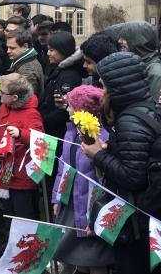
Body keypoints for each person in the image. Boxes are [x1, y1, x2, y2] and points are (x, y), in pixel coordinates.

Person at [81, 51, 161, 274]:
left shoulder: (129, 120)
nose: (101, 92)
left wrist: (98, 155)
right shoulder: (149, 108)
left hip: (138, 224)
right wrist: (111, 150)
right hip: (155, 220)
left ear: (118, 87)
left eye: (103, 86)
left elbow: (133, 176)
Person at [0, 74, 43, 253]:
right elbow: (2, 132)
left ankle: (26, 250)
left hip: (22, 174)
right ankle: (11, 245)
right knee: (9, 211)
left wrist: (21, 133)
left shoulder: (32, 113)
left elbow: (40, 140)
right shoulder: (4, 108)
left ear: (14, 97)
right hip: (6, 172)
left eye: (2, 92)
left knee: (23, 214)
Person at [52, 85, 113, 274]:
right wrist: (56, 198)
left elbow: (102, 180)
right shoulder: (70, 132)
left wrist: (97, 216)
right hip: (72, 203)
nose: (67, 109)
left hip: (90, 207)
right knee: (78, 256)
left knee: (95, 259)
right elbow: (63, 167)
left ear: (82, 111)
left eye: (70, 106)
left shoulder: (100, 138)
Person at [114, 21, 161, 102]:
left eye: (126, 38)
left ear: (137, 41)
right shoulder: (147, 63)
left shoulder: (156, 72)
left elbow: (153, 110)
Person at [39, 31, 83, 140]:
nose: (48, 53)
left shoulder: (70, 76)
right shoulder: (58, 69)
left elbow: (62, 112)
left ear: (63, 50)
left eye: (52, 50)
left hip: (59, 134)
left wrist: (43, 120)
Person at [6, 29, 44, 98]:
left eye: (12, 48)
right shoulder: (23, 62)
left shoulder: (27, 70)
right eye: (7, 47)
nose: (8, 51)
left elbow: (25, 99)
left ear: (25, 46)